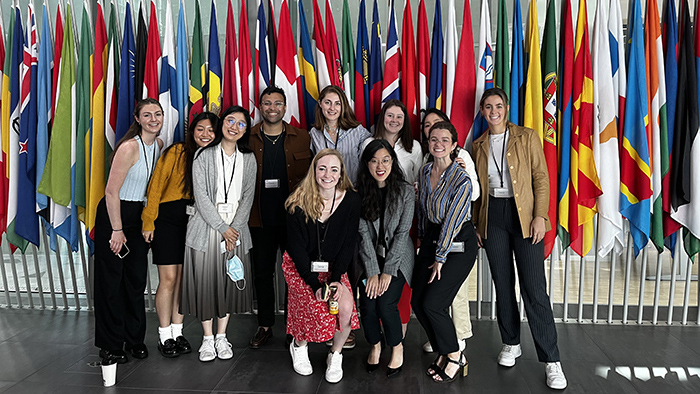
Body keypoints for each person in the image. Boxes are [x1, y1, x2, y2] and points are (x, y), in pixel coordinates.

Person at [472, 87, 567, 389]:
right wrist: (477, 224)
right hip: (494, 217)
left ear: (507, 107)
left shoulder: (527, 137)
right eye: (488, 107)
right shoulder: (478, 145)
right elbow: (476, 192)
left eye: (498, 105)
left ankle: (551, 360)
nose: (493, 111)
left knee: (534, 288)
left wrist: (541, 215)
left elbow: (541, 177)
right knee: (502, 283)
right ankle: (511, 342)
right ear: (482, 111)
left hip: (524, 215)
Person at [180, 106, 257, 362]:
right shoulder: (203, 155)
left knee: (229, 284)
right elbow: (201, 197)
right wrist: (222, 228)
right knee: (205, 286)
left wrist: (233, 229)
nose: (234, 127)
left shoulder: (248, 158)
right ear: (222, 122)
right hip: (207, 230)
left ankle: (222, 336)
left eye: (241, 124)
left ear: (246, 130)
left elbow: (248, 197)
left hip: (237, 230)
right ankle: (207, 338)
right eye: (230, 120)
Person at [141, 112, 218, 358]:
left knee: (184, 280)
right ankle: (164, 334)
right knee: (169, 279)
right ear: (192, 131)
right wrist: (148, 221)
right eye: (200, 129)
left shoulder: (215, 157)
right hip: (167, 221)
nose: (205, 134)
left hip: (195, 222)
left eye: (210, 130)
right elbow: (155, 187)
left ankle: (178, 331)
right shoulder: (176, 152)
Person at [94, 98, 164, 363]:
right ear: (137, 119)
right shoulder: (128, 148)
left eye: (158, 114)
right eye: (147, 115)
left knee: (135, 281)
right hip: (115, 215)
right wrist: (116, 229)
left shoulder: (157, 145)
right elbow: (111, 191)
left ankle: (134, 339)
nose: (153, 119)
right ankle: (110, 344)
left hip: (138, 217)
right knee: (111, 282)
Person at [283, 149, 361, 383]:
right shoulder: (297, 200)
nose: (327, 174)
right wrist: (311, 281)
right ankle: (299, 345)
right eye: (322, 168)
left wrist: (336, 279)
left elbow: (349, 243)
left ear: (341, 174)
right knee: (312, 305)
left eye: (334, 169)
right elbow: (295, 248)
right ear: (314, 171)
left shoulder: (351, 200)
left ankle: (335, 354)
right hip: (301, 266)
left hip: (335, 267)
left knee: (344, 309)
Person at [412, 121, 478, 383]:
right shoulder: (425, 169)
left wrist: (440, 258)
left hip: (458, 243)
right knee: (418, 301)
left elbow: (452, 222)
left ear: (454, 145)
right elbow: (422, 208)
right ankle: (442, 350)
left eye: (444, 140)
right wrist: (420, 238)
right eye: (433, 139)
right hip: (431, 237)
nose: (438, 144)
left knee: (434, 303)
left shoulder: (462, 180)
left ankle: (455, 355)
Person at [248, 86, 312, 349]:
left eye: (278, 103)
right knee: (262, 273)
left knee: (293, 275)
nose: (272, 108)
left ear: (286, 108)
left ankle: (292, 326)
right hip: (258, 219)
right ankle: (264, 325)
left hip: (293, 221)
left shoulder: (303, 138)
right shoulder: (247, 137)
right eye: (267, 103)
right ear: (259, 107)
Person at [356, 140, 414, 378]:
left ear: (393, 161)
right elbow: (362, 235)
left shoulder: (405, 191)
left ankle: (396, 346)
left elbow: (402, 234)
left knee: (386, 304)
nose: (380, 166)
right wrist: (372, 271)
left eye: (385, 160)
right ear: (366, 164)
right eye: (374, 160)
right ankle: (375, 345)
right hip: (368, 257)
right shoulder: (357, 193)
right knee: (368, 305)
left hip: (398, 259)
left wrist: (387, 272)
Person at [310, 85, 371, 184]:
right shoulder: (314, 133)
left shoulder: (357, 131)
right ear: (320, 103)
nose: (332, 108)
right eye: (327, 102)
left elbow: (375, 153)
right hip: (325, 191)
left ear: (343, 106)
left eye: (337, 103)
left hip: (352, 190)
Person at [361, 99, 423, 184]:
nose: (394, 120)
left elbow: (418, 180)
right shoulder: (368, 143)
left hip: (405, 196)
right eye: (390, 115)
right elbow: (363, 175)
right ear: (383, 117)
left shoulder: (414, 146)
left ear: (404, 120)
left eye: (399, 117)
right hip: (373, 195)